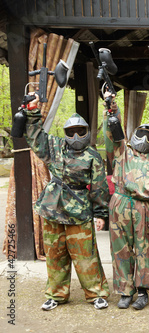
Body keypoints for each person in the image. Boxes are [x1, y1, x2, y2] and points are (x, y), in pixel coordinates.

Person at [22, 92, 110, 311]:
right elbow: (35, 137)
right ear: (66, 133)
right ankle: (56, 294)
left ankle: (96, 294)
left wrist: (101, 214)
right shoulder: (54, 146)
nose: (76, 135)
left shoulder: (92, 156)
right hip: (52, 209)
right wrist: (32, 112)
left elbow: (99, 186)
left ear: (87, 132)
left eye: (81, 131)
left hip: (79, 211)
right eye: (72, 132)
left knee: (86, 255)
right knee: (55, 255)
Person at [103, 94, 149, 310]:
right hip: (119, 203)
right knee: (120, 250)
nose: (145, 140)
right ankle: (124, 291)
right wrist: (111, 109)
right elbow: (112, 132)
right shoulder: (122, 152)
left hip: (142, 207)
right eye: (142, 135)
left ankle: (143, 291)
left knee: (143, 250)